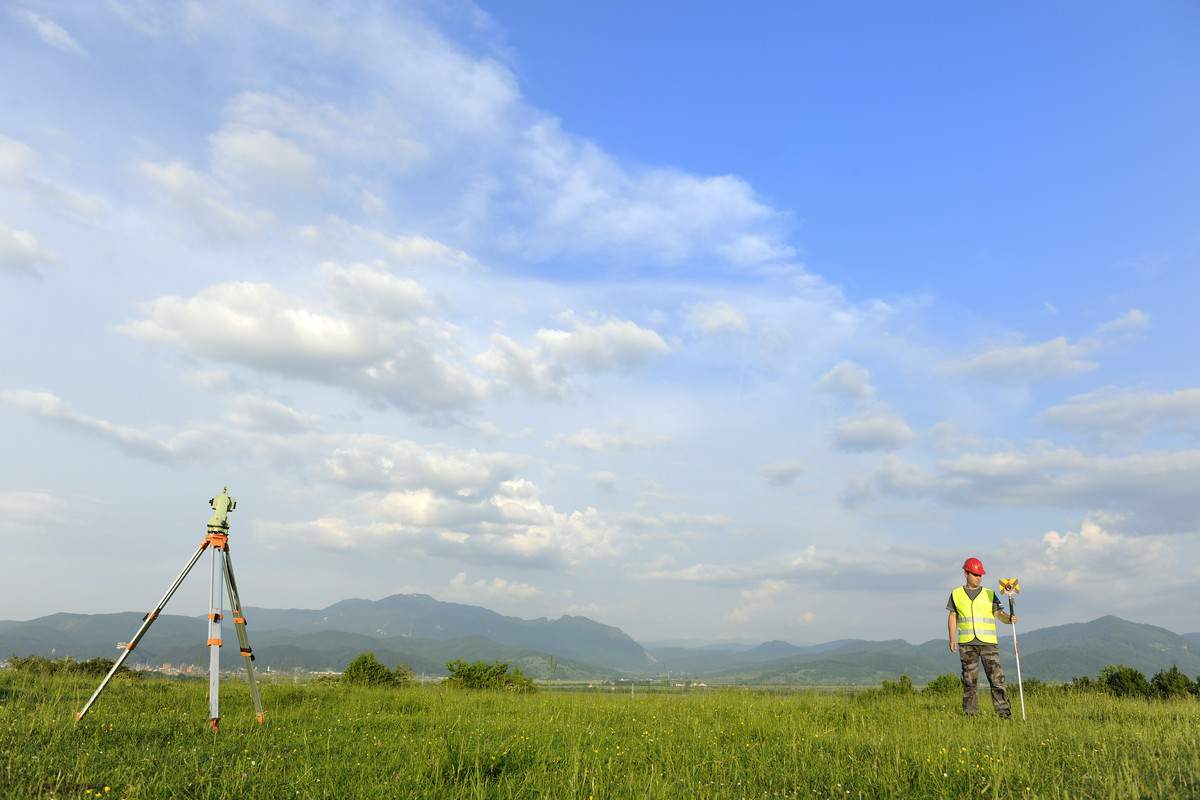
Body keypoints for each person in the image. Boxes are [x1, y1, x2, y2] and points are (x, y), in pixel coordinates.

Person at [946, 557, 1016, 718]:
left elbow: (999, 614)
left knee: (997, 680)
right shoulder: (956, 594)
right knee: (969, 682)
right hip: (967, 644)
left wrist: (1009, 619)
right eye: (975, 574)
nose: (978, 577)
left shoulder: (989, 594)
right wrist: (952, 638)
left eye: (980, 575)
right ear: (966, 573)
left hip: (988, 644)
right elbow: (952, 616)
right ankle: (970, 715)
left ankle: (1004, 714)